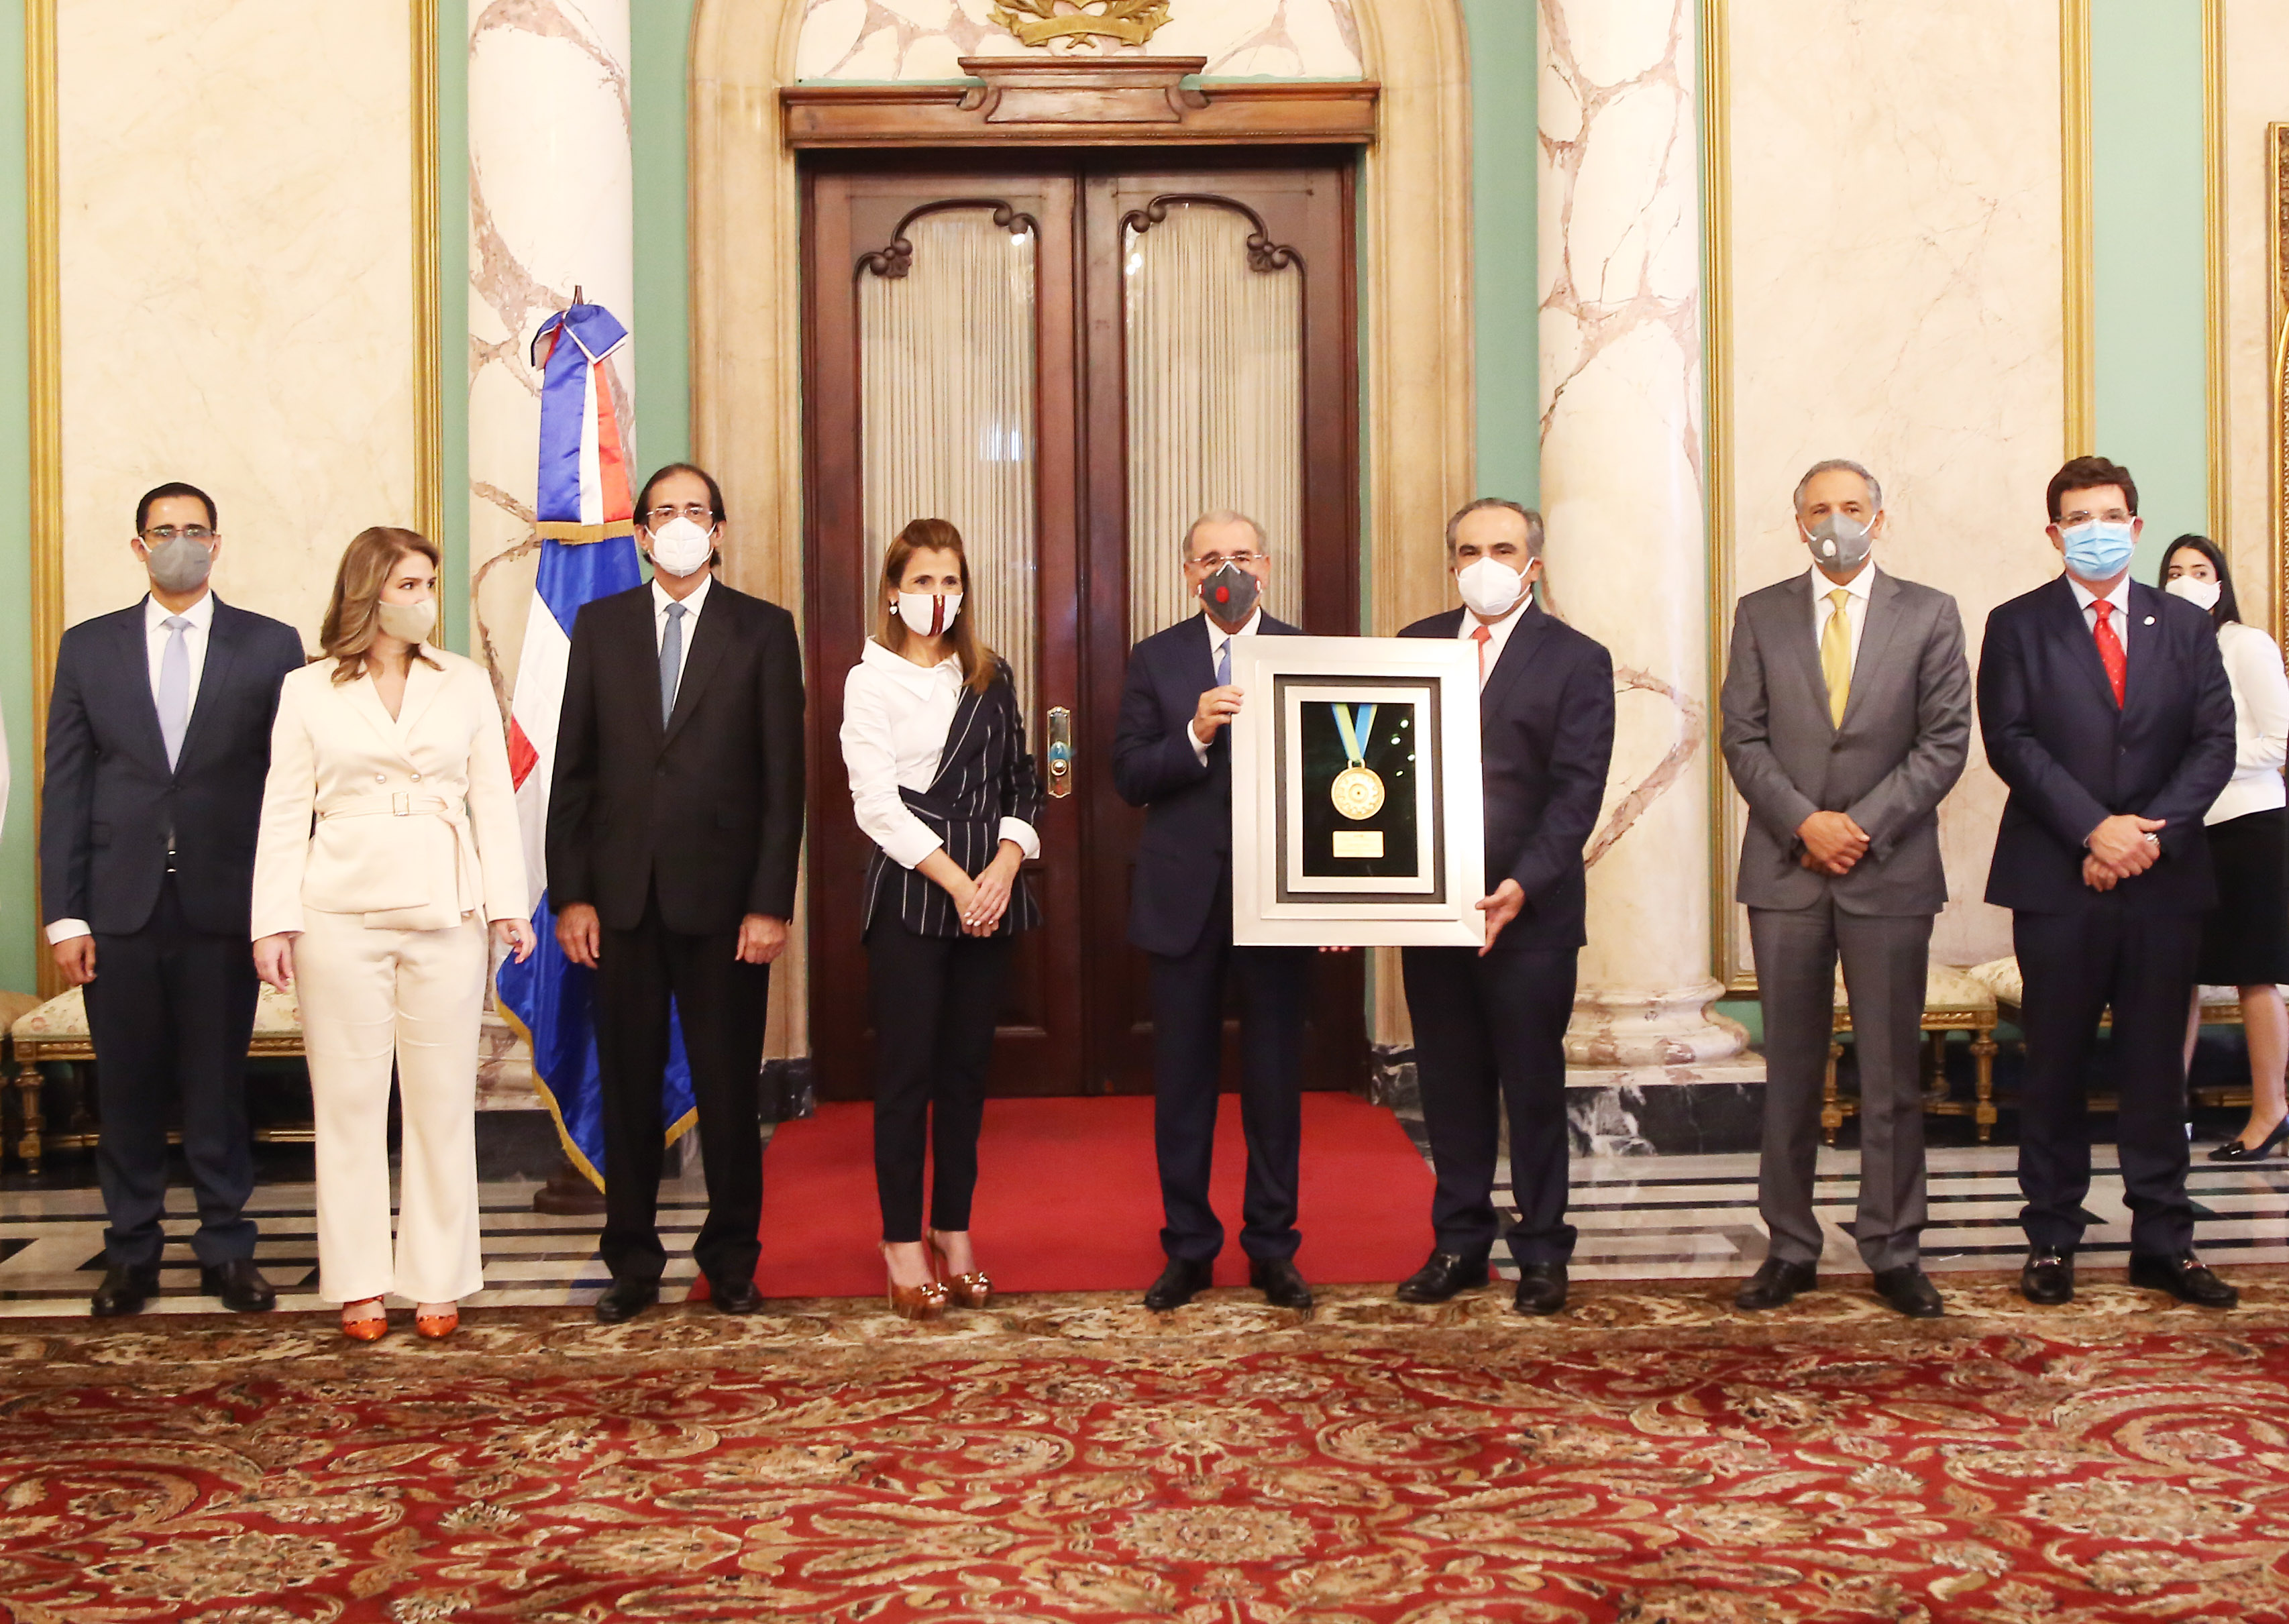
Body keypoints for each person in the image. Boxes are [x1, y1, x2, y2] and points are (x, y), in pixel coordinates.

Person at [251, 529, 533, 1341]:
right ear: (368, 591)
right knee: (347, 1104)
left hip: (446, 908)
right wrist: (272, 921)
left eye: (430, 583)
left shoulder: (463, 681)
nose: (425, 599)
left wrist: (508, 905)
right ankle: (359, 1282)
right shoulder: (307, 689)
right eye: (410, 584)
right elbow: (283, 810)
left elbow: (492, 801)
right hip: (336, 912)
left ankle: (439, 1277)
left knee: (441, 1102)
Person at [547, 462, 805, 1324]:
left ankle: (730, 1260)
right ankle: (630, 1262)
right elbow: (573, 772)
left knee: (727, 1091)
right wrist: (572, 895)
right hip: (620, 902)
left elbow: (783, 782)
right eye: (665, 512)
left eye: (697, 510)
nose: (682, 523)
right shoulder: (600, 626)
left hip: (727, 909)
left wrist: (770, 903)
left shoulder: (763, 631)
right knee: (625, 1088)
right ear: (642, 534)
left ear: (718, 531)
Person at [40, 482, 305, 1318]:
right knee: (126, 1089)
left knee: (217, 1087)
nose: (179, 543)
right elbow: (66, 786)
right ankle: (131, 1252)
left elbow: (290, 786)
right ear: (138, 546)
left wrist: (280, 909)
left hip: (225, 906)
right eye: (164, 531)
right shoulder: (89, 647)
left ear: (217, 544)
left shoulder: (270, 645)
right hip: (118, 908)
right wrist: (65, 915)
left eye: (195, 530)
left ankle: (228, 1247)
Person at [1979, 455, 2238, 1307]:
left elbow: (2213, 743)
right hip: (2057, 877)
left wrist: (2144, 835)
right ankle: (2052, 1236)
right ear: (2054, 534)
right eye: (2077, 518)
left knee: (2156, 1068)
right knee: (2052, 1064)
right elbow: (2010, 740)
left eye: (2110, 516)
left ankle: (2164, 1240)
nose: (2096, 530)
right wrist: (2094, 829)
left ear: (2135, 526)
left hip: (2163, 880)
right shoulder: (2016, 624)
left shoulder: (2187, 626)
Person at [1717, 460, 1971, 1319]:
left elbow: (1944, 741)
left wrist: (1858, 825)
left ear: (1879, 518)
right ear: (1798, 524)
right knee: (1789, 1069)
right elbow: (1742, 738)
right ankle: (1788, 1246)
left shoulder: (1928, 613)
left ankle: (1893, 1247)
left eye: (1851, 507)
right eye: (1820, 509)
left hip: (1888, 869)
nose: (1836, 521)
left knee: (1892, 1073)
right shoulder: (1759, 614)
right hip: (1785, 871)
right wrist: (1805, 824)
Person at [1391, 500, 1615, 1317]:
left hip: (1531, 912)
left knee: (1531, 1086)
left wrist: (1522, 884)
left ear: (1533, 564)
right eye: (1467, 550)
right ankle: (1457, 1243)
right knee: (1448, 1085)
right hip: (1432, 910)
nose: (1483, 563)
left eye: (1502, 549)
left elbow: (1576, 791)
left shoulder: (1577, 659)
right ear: (1451, 562)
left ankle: (1543, 1251)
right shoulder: (1413, 646)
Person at [840, 519, 1045, 1319]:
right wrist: (960, 883)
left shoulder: (990, 674)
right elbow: (875, 805)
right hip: (915, 894)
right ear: (893, 592)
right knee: (906, 1077)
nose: (938, 596)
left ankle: (952, 1229)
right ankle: (899, 1242)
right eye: (922, 581)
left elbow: (1023, 782)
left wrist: (1004, 867)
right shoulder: (870, 680)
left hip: (990, 893)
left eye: (950, 581)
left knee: (965, 1075)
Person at [1113, 510, 1315, 1313]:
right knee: (1183, 1083)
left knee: (1273, 1082)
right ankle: (1188, 1249)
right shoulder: (1155, 658)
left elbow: (1338, 781)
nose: (1226, 572)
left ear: (1265, 567)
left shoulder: (1306, 653)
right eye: (1209, 560)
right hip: (1183, 901)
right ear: (1188, 574)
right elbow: (1129, 775)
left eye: (1241, 556)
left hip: (1279, 900)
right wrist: (1192, 735)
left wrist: (1340, 901)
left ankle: (1273, 1248)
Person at [2159, 536, 2289, 1161]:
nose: (2186, 579)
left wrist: (2207, 763)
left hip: (2248, 827)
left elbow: (2279, 741)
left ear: (2220, 582)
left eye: (2199, 569)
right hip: (2186, 829)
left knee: (2252, 972)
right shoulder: (2162, 651)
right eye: (2175, 570)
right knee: (2175, 973)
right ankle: (2167, 1115)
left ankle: (2270, 1111)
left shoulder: (2245, 643)